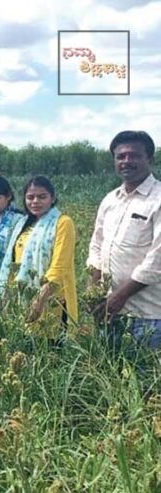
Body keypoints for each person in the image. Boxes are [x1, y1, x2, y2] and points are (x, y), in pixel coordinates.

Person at [87, 130, 161, 348]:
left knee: (144, 379)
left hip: (148, 315)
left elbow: (157, 260)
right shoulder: (110, 200)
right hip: (110, 312)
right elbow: (96, 245)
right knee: (112, 375)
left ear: (149, 158)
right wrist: (93, 290)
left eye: (134, 155)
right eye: (121, 157)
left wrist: (120, 296)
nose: (127, 161)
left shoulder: (158, 200)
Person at [0, 176, 77, 325]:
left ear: (52, 198)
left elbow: (59, 267)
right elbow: (12, 261)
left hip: (51, 300)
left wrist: (40, 300)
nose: (35, 201)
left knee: (48, 344)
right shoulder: (22, 224)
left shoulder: (63, 223)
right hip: (22, 297)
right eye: (30, 197)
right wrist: (7, 295)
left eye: (42, 197)